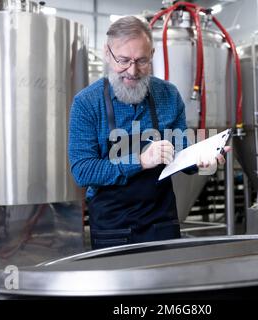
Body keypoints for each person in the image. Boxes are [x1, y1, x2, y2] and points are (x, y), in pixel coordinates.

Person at [68, 16, 230, 250]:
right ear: (107, 53)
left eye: (141, 61)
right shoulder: (87, 103)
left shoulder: (168, 95)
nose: (132, 71)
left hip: (161, 222)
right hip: (113, 227)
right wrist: (141, 161)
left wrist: (201, 160)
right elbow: (82, 170)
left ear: (152, 54)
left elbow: (181, 148)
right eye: (123, 60)